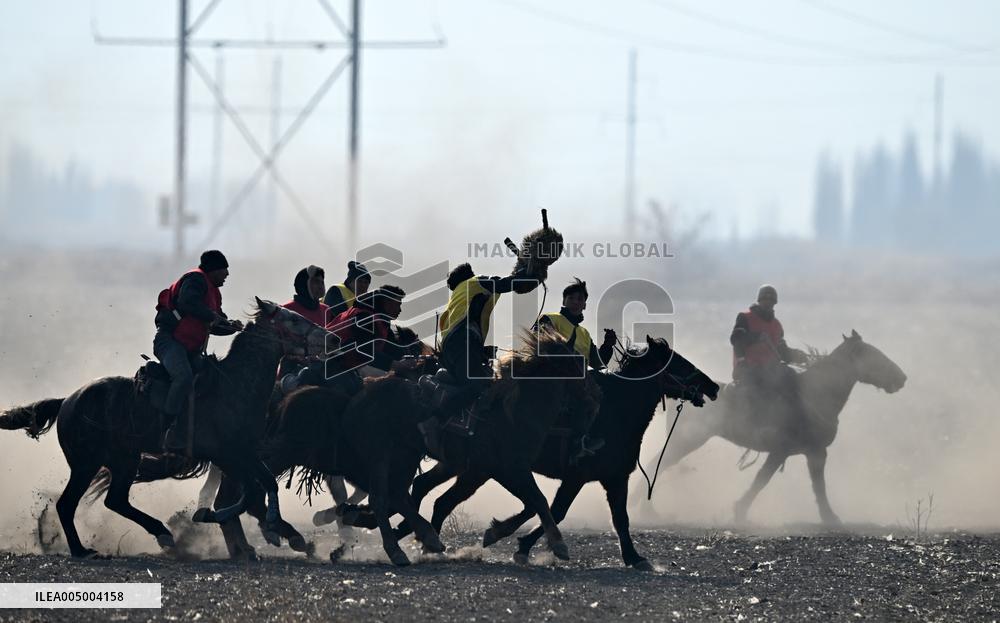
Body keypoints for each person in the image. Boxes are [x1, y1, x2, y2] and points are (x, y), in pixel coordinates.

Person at [154, 250, 243, 452]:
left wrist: (232, 327)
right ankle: (165, 430)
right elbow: (188, 302)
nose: (227, 275)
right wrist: (213, 316)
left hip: (190, 350)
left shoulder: (214, 292)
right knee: (183, 377)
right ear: (212, 270)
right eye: (224, 270)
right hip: (169, 342)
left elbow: (216, 323)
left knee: (217, 377)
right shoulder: (196, 279)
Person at [536, 277, 616, 461]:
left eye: (580, 299)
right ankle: (578, 441)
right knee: (586, 394)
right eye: (571, 298)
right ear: (564, 301)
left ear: (584, 305)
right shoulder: (549, 318)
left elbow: (598, 363)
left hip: (579, 377)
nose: (575, 302)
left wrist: (608, 345)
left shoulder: (584, 333)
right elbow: (538, 343)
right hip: (550, 374)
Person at [729, 284, 809, 429]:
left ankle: (792, 422)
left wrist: (799, 356)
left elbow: (782, 352)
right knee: (765, 385)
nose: (768, 303)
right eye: (765, 300)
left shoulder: (777, 325)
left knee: (792, 377)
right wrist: (756, 336)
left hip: (770, 369)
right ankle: (757, 426)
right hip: (748, 367)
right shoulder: (745, 317)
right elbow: (736, 339)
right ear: (759, 301)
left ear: (774, 303)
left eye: (771, 301)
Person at [279, 265, 328, 378]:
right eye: (316, 282)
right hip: (292, 372)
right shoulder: (286, 310)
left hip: (323, 368)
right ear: (303, 285)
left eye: (322, 282)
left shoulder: (326, 310)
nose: (321, 286)